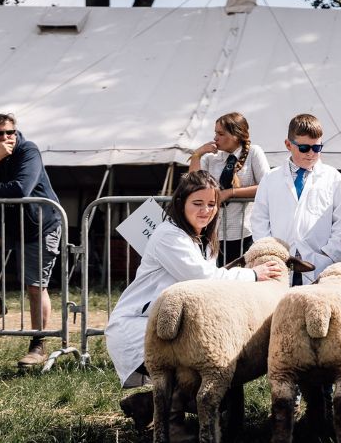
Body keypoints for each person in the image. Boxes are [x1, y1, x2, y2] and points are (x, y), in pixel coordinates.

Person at [105, 171, 284, 427]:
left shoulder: (202, 239)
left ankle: (147, 404)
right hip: (142, 328)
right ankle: (170, 420)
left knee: (223, 388)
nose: (206, 210)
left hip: (175, 327)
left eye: (211, 204)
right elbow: (203, 279)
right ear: (181, 204)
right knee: (210, 383)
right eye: (197, 204)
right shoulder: (169, 236)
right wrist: (253, 274)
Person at [0, 114, 63, 368]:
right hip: (9, 224)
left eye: (11, 132)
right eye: (0, 134)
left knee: (34, 286)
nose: (7, 138)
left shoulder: (28, 150)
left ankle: (38, 344)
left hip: (40, 225)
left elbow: (21, 188)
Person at [252, 114, 341, 285]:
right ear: (288, 144)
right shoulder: (271, 178)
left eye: (317, 148)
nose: (311, 154)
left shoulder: (333, 178)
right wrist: (270, 253)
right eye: (304, 148)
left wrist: (329, 254)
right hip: (280, 262)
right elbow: (259, 219)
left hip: (319, 263)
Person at [189, 112, 269, 265]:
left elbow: (266, 186)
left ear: (236, 135)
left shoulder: (254, 152)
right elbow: (193, 186)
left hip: (245, 233)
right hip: (214, 234)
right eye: (215, 133)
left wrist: (231, 193)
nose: (215, 138)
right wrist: (197, 155)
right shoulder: (210, 158)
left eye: (220, 133)